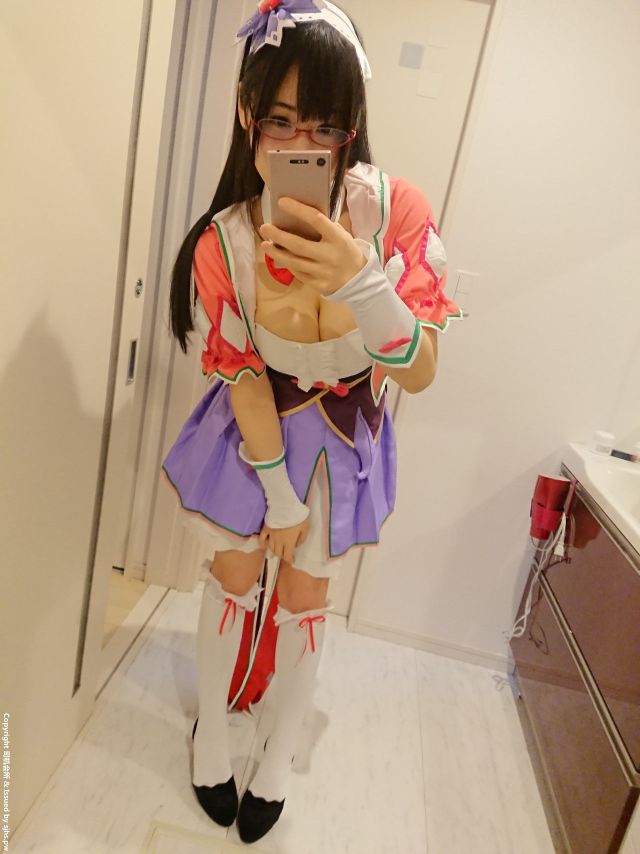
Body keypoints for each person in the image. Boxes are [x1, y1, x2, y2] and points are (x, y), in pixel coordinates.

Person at [162, 0, 463, 843]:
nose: (306, 145)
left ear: (353, 125)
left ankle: (278, 752)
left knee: (304, 597)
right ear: (247, 115)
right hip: (251, 434)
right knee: (230, 578)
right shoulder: (224, 242)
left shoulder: (396, 213)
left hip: (342, 436)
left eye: (327, 126)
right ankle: (212, 738)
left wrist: (362, 282)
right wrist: (279, 499)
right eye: (282, 121)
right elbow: (246, 381)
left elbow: (421, 371)